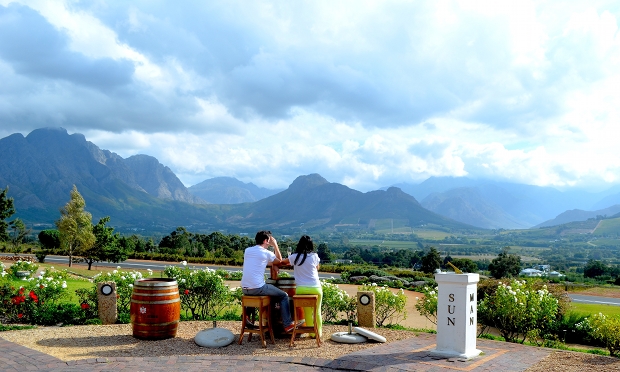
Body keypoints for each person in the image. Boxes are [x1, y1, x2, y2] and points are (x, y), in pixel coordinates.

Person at [241, 230, 304, 333]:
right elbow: (280, 261)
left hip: (245, 289)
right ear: (266, 241)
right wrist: (275, 245)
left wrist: (272, 264)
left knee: (256, 289)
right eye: (269, 240)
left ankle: (246, 315)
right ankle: (287, 324)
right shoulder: (266, 253)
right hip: (258, 288)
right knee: (283, 295)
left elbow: (259, 261)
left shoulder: (248, 250)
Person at [281, 235, 323, 338]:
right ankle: (318, 333)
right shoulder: (314, 256)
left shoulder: (294, 257)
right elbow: (317, 268)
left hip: (301, 289)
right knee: (317, 311)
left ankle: (312, 333)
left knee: (307, 311)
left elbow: (282, 262)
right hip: (315, 287)